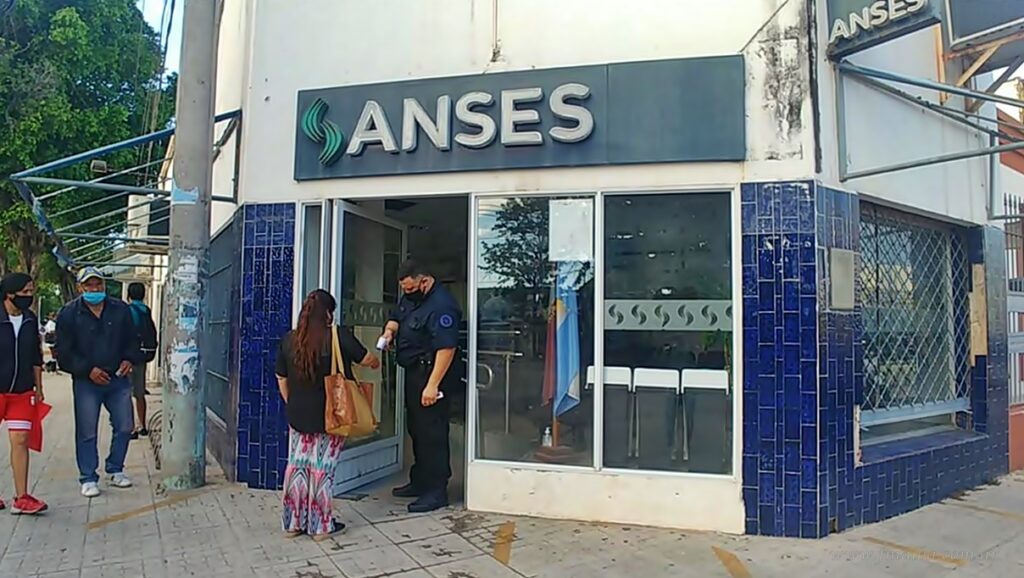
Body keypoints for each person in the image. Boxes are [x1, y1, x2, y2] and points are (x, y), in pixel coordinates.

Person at [275, 289, 380, 540]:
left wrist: (292, 402)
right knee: (322, 468)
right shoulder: (337, 336)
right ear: (329, 314)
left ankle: (293, 523)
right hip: (332, 415)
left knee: (297, 465)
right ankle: (320, 526)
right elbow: (367, 359)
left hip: (298, 413)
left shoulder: (290, 340)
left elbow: (281, 377)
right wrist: (376, 361)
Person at [379, 260, 462, 513]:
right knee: (416, 429)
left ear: (424, 281)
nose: (406, 292)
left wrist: (432, 385)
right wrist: (389, 332)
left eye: (410, 288)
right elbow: (397, 316)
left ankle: (436, 491)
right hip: (414, 374)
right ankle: (420, 480)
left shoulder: (442, 305)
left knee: (432, 434)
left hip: (431, 376)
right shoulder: (412, 297)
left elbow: (447, 348)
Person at [56, 267, 142, 498]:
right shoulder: (69, 314)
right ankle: (88, 477)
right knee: (87, 430)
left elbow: (133, 340)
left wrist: (129, 359)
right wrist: (87, 370)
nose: (95, 289)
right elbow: (64, 353)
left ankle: (115, 468)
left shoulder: (120, 310)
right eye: (89, 285)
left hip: (117, 378)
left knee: (125, 425)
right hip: (87, 382)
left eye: (98, 284)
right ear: (80, 288)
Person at [0, 273, 47, 515]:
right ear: (10, 294)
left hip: (22, 391)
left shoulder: (30, 319)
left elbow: (36, 356)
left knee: (20, 439)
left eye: (31, 291)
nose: (29, 296)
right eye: (25, 292)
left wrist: (39, 387)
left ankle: (21, 497)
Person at [126, 282, 158, 439]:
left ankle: (131, 428)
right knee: (140, 393)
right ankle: (142, 425)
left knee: (126, 394)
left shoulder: (128, 311)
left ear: (129, 295)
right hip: (142, 357)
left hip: (128, 358)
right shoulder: (146, 310)